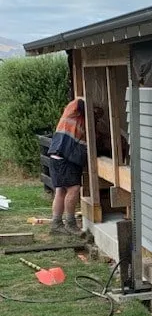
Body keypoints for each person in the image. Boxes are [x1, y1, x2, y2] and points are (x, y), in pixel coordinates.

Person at [48, 98, 87, 235]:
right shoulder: (74, 107)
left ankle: (56, 224)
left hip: (59, 155)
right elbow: (80, 102)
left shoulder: (79, 119)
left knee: (61, 191)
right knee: (73, 189)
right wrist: (94, 108)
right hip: (64, 156)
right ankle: (70, 224)